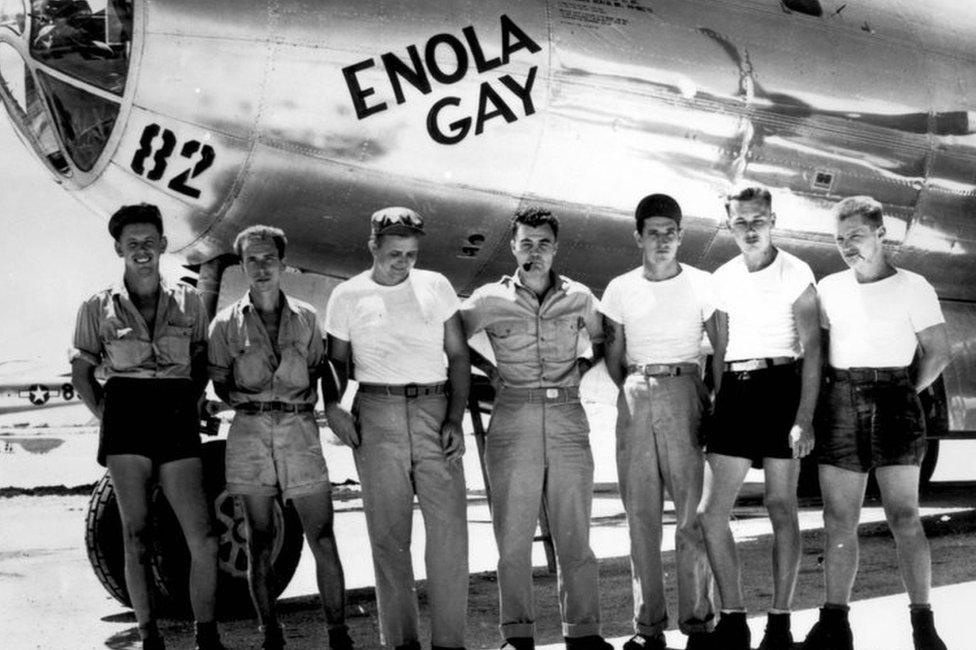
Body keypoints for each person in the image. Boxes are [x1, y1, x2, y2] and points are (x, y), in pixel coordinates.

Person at [70, 203, 224, 650]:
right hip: (126, 416)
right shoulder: (96, 306)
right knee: (135, 532)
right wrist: (110, 421)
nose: (142, 250)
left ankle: (206, 636)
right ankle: (148, 635)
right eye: (132, 243)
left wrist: (191, 401)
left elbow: (201, 360)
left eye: (149, 242)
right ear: (119, 248)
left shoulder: (190, 299)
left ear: (163, 245)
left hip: (175, 413)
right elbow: (83, 373)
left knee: (204, 536)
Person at [802, 196, 951, 650]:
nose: (848, 246)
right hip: (840, 400)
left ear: (881, 233)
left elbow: (938, 351)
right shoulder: (828, 287)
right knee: (838, 517)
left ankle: (923, 626)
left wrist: (905, 391)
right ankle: (834, 623)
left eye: (857, 236)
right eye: (840, 239)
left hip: (895, 401)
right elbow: (817, 351)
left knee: (904, 516)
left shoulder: (914, 286)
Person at [460, 206, 612, 650]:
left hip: (566, 416)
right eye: (526, 243)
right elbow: (450, 336)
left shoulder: (581, 297)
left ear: (556, 248)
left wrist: (583, 366)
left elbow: (603, 338)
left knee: (575, 531)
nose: (535, 251)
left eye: (544, 243)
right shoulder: (489, 299)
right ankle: (518, 635)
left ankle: (583, 633)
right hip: (514, 416)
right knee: (513, 533)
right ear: (512, 246)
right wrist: (488, 367)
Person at [323, 207, 470, 650]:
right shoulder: (347, 296)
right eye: (393, 252)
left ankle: (449, 643)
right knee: (389, 539)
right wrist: (332, 407)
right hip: (377, 413)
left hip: (434, 408)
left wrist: (455, 419)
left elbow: (459, 356)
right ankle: (401, 644)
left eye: (410, 252)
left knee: (449, 536)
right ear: (373, 246)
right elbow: (336, 361)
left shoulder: (436, 286)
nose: (403, 261)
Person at [208, 225, 352, 650]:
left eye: (269, 257)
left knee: (322, 535)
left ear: (283, 263)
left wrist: (327, 406)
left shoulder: (307, 318)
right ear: (242, 265)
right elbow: (219, 382)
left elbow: (319, 369)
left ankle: (338, 634)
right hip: (249, 433)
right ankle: (271, 634)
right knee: (259, 539)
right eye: (252, 259)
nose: (262, 266)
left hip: (299, 430)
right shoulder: (224, 326)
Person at [697, 186, 821, 650]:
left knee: (780, 506)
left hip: (782, 386)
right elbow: (721, 348)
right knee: (711, 514)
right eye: (740, 222)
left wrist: (803, 418)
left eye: (758, 220)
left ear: (773, 221)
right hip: (736, 390)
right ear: (729, 225)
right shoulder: (723, 277)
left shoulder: (796, 271)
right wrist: (717, 403)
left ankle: (780, 622)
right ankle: (733, 619)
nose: (750, 229)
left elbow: (812, 350)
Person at [600, 194, 717, 650]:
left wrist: (705, 397)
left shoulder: (703, 283)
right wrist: (637, 388)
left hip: (686, 388)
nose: (663, 240)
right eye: (654, 232)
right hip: (636, 394)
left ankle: (698, 622)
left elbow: (719, 348)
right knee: (640, 517)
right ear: (638, 237)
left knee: (692, 515)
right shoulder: (620, 288)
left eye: (671, 232)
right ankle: (648, 627)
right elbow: (613, 355)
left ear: (681, 236)